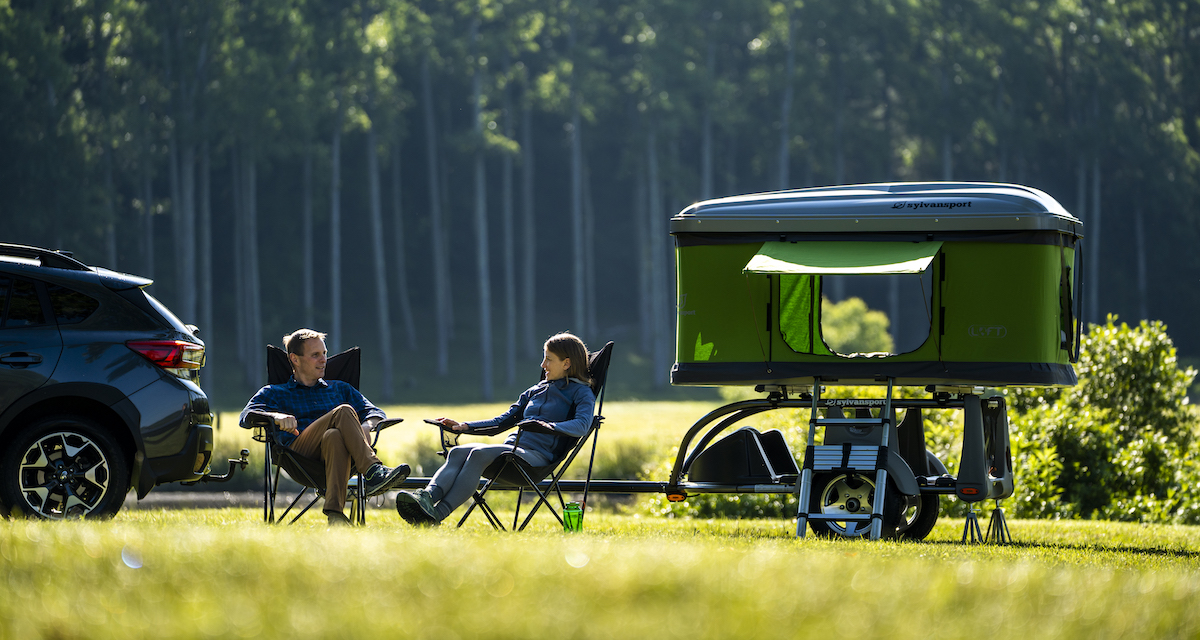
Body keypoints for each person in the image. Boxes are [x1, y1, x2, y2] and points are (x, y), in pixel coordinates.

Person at [396, 333, 595, 525]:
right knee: (457, 452)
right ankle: (426, 499)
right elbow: (501, 422)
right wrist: (464, 426)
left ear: (566, 363)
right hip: (512, 451)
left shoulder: (581, 392)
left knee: (478, 454)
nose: (543, 365)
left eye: (549, 359)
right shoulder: (535, 391)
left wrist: (548, 426)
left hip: (536, 459)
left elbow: (582, 425)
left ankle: (436, 515)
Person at [240, 328, 410, 526]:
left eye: (324, 353)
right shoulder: (275, 392)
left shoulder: (340, 388)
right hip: (298, 455)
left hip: (336, 455)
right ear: (295, 359)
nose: (323, 360)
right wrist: (276, 416)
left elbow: (375, 413)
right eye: (315, 355)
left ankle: (335, 515)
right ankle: (373, 471)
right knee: (344, 411)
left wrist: (365, 426)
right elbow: (246, 417)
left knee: (334, 436)